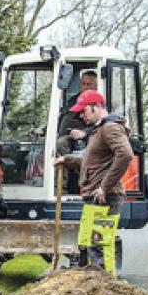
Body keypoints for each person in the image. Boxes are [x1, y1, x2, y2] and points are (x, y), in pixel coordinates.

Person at [54, 90, 134, 271]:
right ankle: (89, 289)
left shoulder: (110, 128)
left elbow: (126, 154)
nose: (81, 116)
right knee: (87, 245)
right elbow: (92, 162)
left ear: (97, 107)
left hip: (104, 198)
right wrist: (66, 160)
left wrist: (104, 187)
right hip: (94, 197)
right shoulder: (97, 131)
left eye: (84, 111)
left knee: (100, 247)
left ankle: (106, 292)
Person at [56, 70, 98, 155]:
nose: (85, 87)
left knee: (61, 143)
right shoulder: (74, 100)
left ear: (96, 86)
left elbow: (99, 124)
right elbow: (63, 115)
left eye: (88, 84)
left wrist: (84, 132)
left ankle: (70, 166)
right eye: (83, 84)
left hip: (81, 139)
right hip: (64, 135)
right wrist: (45, 129)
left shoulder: (97, 102)